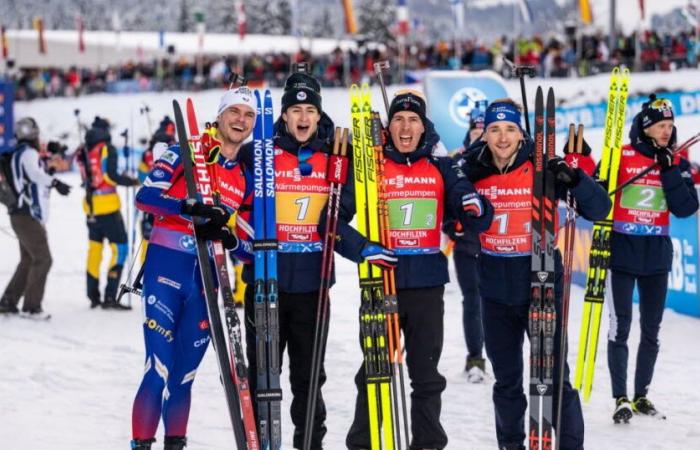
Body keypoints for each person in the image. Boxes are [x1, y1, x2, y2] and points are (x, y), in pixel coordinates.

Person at [333, 89, 493, 450]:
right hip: (379, 283)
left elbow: (466, 197)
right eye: (398, 119)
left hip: (425, 286)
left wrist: (473, 204)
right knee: (375, 370)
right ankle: (363, 443)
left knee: (425, 374)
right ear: (388, 127)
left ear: (424, 126)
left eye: (413, 120)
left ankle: (428, 444)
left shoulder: (440, 165)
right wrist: (363, 249)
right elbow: (333, 223)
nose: (406, 127)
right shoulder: (369, 168)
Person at [461, 99, 611, 450]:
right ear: (484, 134)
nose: (502, 137)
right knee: (507, 381)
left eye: (510, 129)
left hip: (541, 283)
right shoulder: (472, 171)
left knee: (556, 377)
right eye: (495, 129)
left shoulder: (541, 168)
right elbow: (451, 210)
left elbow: (600, 208)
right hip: (495, 289)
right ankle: (511, 444)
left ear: (521, 132)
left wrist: (575, 177)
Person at [130, 87, 257, 450]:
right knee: (159, 369)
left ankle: (175, 445)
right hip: (166, 270)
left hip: (206, 283)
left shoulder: (244, 178)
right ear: (219, 116)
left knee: (184, 376)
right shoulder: (185, 151)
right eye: (234, 112)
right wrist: (189, 208)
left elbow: (247, 248)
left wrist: (230, 240)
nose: (240, 121)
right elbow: (146, 196)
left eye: (248, 116)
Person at [237, 68, 339, 450]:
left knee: (309, 376)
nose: (302, 118)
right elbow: (231, 184)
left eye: (309, 110)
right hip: (266, 283)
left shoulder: (332, 157)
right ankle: (260, 441)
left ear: (318, 115)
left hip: (313, 287)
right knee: (263, 373)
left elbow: (344, 209)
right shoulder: (257, 152)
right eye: (295, 111)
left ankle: (310, 443)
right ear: (283, 115)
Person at [607, 94, 699, 423]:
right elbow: (600, 193)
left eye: (670, 125)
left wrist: (669, 171)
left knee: (652, 330)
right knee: (620, 329)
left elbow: (686, 207)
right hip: (621, 252)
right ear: (646, 128)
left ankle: (641, 394)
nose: (666, 131)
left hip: (656, 255)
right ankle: (620, 397)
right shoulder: (623, 156)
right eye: (660, 125)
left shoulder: (676, 160)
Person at [0, 117, 71, 319]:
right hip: (27, 215)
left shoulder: (17, 153)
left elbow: (32, 175)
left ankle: (8, 301)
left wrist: (49, 170)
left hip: (19, 215)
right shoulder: (29, 153)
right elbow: (34, 174)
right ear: (34, 134)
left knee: (28, 259)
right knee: (43, 259)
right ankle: (31, 307)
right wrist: (56, 183)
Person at [76, 116, 140, 309]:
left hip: (90, 206)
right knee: (120, 248)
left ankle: (92, 296)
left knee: (95, 249)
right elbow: (110, 176)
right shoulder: (106, 148)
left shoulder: (84, 149)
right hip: (109, 206)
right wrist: (131, 181)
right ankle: (110, 296)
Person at [444, 105, 488, 382]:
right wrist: (453, 227)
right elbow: (444, 201)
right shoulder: (456, 160)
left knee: (495, 304)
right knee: (472, 301)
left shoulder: (499, 159)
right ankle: (475, 358)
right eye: (476, 129)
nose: (480, 134)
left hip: (494, 246)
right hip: (465, 246)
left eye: (485, 130)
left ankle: (500, 355)